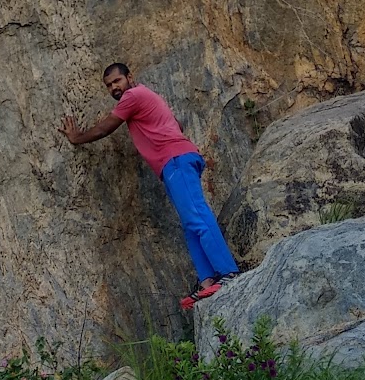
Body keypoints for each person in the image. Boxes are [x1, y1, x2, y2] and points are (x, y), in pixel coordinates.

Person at [60, 62, 239, 302]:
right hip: (174, 162)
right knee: (189, 225)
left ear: (129, 77)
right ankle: (208, 280)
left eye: (117, 81)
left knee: (197, 216)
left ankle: (228, 273)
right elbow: (177, 124)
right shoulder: (148, 96)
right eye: (109, 85)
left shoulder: (134, 95)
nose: (114, 87)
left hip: (176, 160)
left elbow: (106, 128)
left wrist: (77, 138)